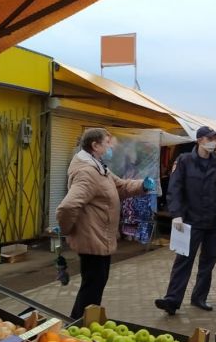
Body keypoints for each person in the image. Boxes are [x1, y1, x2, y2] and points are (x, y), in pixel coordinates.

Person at [57, 128, 155, 319]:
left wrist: (142, 185)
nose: (111, 147)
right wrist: (67, 230)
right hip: (92, 239)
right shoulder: (87, 172)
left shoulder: (99, 168)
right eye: (107, 143)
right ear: (95, 146)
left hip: (101, 238)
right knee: (92, 287)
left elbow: (120, 186)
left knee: (95, 285)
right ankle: (78, 324)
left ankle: (83, 322)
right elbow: (67, 207)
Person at [155, 126, 216, 315]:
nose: (213, 141)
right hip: (190, 221)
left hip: (212, 222)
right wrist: (176, 213)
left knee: (208, 262)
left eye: (215, 138)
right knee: (183, 261)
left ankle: (199, 298)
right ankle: (172, 300)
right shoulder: (184, 161)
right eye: (210, 138)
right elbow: (175, 188)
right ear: (199, 140)